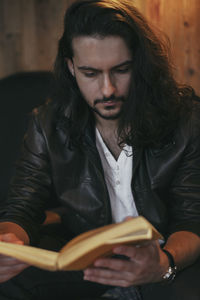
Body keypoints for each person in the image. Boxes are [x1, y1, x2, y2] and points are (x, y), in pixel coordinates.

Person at [0, 0, 199, 299]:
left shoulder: (186, 120)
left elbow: (191, 219)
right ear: (71, 68)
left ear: (139, 65)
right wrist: (9, 244)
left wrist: (163, 264)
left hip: (164, 258)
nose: (107, 89)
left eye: (121, 70)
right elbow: (21, 206)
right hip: (91, 263)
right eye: (90, 73)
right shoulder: (48, 124)